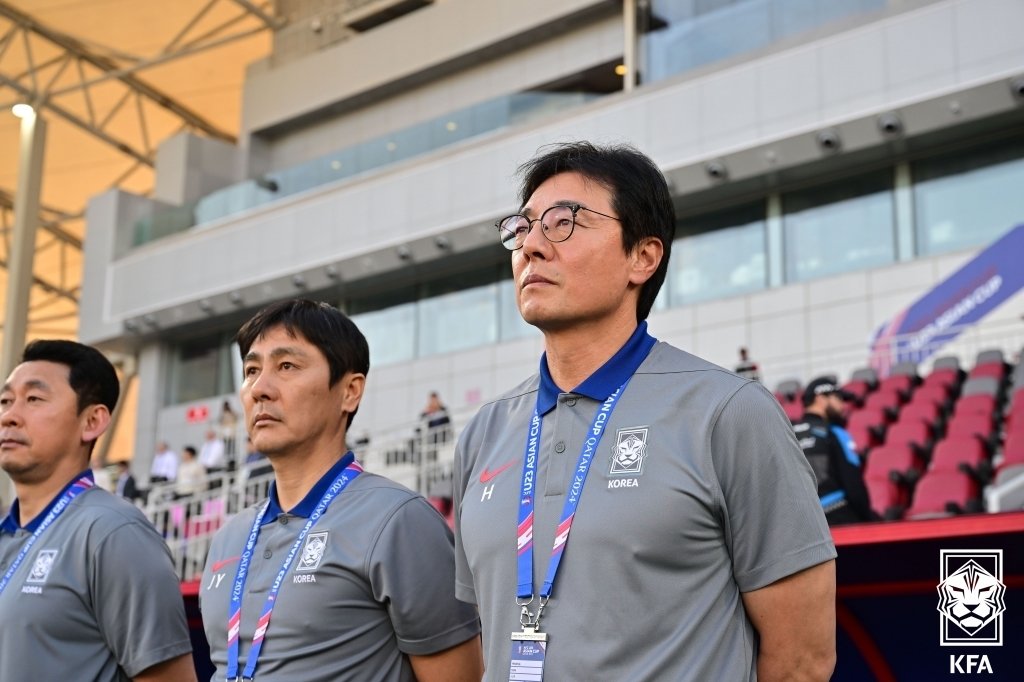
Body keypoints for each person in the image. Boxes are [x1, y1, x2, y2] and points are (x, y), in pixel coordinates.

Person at [453, 142, 837, 681]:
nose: (531, 246)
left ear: (643, 257)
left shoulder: (727, 413)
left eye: (563, 222)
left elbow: (802, 660)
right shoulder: (483, 433)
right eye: (523, 227)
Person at [200, 299, 483, 681]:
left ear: (350, 391)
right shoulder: (228, 539)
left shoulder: (398, 521)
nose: (259, 389)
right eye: (252, 370)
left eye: (286, 366)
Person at [0, 339, 196, 681]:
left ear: (92, 422)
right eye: (5, 401)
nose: (10, 417)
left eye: (33, 399)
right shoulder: (7, 532)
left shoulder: (113, 534)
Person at [794, 377, 876, 525]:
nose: (842, 405)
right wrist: (869, 519)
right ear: (821, 398)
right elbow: (854, 485)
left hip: (802, 525)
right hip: (838, 516)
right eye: (838, 398)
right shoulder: (834, 432)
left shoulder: (789, 434)